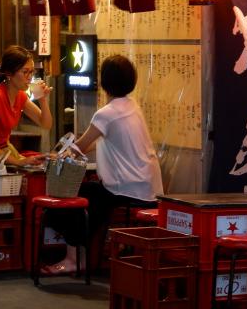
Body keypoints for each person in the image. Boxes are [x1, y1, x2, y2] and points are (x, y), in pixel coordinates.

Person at [44, 54, 163, 274]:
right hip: (147, 188)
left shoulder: (106, 114)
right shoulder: (132, 107)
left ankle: (74, 259)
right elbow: (98, 142)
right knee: (92, 196)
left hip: (125, 188)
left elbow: (80, 146)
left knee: (74, 199)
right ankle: (87, 254)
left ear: (105, 82)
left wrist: (57, 156)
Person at [0, 45, 53, 167]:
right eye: (25, 72)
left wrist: (42, 99)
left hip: (5, 150)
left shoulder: (20, 96)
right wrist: (18, 161)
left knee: (40, 163)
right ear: (9, 73)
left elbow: (46, 124)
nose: (29, 77)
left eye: (31, 71)